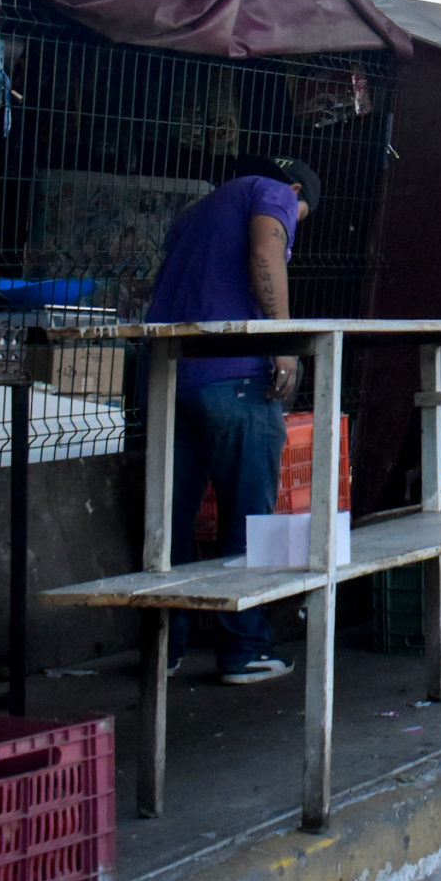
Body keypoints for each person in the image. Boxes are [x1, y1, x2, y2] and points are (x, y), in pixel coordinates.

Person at [146, 152, 320, 686]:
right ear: (294, 191)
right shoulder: (273, 194)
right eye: (303, 215)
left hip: (168, 379)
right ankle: (242, 652)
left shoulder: (194, 213)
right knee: (250, 519)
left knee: (168, 524)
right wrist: (282, 342)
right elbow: (267, 248)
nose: (295, 223)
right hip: (235, 380)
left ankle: (164, 652)